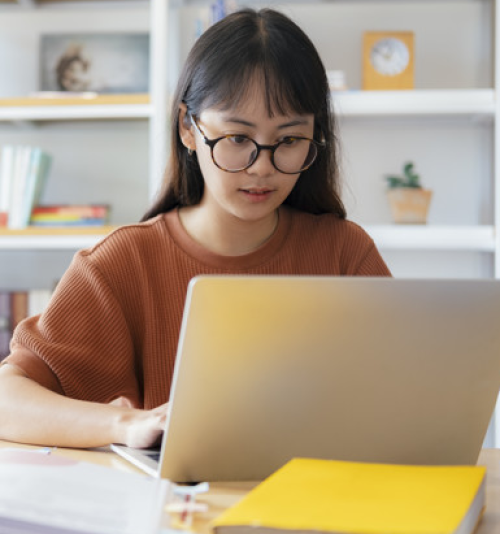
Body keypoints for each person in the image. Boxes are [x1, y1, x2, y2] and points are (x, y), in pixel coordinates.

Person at [0, 8, 390, 449]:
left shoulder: (344, 252)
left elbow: (408, 393)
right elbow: (7, 400)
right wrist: (124, 426)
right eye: (238, 138)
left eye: (289, 141)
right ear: (189, 127)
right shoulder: (122, 262)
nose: (262, 168)